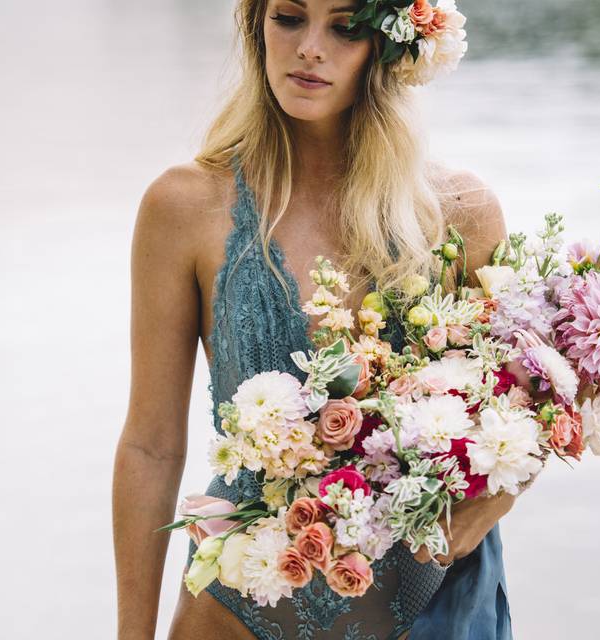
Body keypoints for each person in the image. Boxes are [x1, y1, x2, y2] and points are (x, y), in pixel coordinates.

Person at [113, 1, 525, 638]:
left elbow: (527, 407)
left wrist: (492, 502)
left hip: (435, 610)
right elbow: (151, 445)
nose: (310, 47)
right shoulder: (185, 207)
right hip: (238, 611)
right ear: (256, 26)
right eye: (288, 17)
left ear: (387, 46)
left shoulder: (457, 213)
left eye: (345, 25)